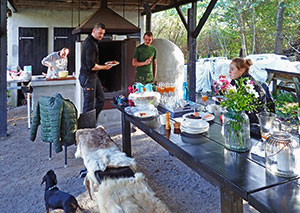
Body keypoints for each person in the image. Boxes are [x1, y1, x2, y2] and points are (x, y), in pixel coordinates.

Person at [79, 23, 112, 120]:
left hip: (93, 77)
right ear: (94, 31)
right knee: (88, 105)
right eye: (100, 33)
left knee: (101, 99)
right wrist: (105, 67)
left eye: (103, 34)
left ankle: (92, 121)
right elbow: (91, 66)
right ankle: (85, 129)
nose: (101, 36)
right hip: (88, 77)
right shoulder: (90, 44)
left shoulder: (93, 42)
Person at [229, 57, 267, 124]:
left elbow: (253, 111)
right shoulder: (236, 80)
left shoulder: (250, 85)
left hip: (253, 123)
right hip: (239, 118)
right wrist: (221, 87)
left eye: (232, 69)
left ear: (241, 70)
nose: (229, 72)